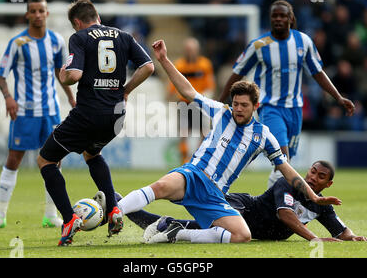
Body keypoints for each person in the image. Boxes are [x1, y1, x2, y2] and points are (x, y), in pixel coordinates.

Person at [116, 39, 341, 245]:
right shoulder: (221, 112)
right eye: (236, 104)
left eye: (244, 105)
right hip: (194, 175)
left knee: (242, 236)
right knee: (161, 186)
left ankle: (178, 232)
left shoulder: (263, 135)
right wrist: (164, 59)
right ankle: (113, 212)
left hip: (215, 194)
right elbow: (188, 90)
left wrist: (313, 197)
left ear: (256, 106)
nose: (238, 109)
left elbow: (286, 169)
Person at [36, 0, 154, 246]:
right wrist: (126, 89)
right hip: (116, 115)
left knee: (46, 159)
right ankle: (113, 209)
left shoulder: (80, 37)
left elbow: (74, 75)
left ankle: (69, 220)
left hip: (88, 113)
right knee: (92, 153)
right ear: (97, 16)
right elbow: (148, 66)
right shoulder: (124, 35)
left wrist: (63, 74)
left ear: (77, 22)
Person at [218, 0, 355, 188]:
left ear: (291, 18)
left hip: (295, 110)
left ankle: (270, 199)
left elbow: (317, 73)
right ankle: (279, 204)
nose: (278, 19)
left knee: (285, 162)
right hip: (270, 107)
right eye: (275, 15)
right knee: (282, 155)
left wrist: (338, 97)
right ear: (270, 18)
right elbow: (237, 73)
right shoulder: (259, 45)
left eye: (283, 15)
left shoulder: (303, 41)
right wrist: (219, 102)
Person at [0, 0, 76, 230]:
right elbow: (1, 74)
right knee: (14, 159)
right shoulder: (17, 43)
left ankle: (50, 214)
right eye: (32, 11)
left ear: (47, 13)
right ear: (27, 14)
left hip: (50, 111)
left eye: (40, 11)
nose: (37, 15)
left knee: (54, 161)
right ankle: (0, 215)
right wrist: (8, 98)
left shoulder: (56, 41)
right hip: (24, 111)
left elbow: (61, 73)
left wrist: (71, 97)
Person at [123, 161, 367, 243]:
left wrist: (353, 237)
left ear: (329, 184)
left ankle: (166, 226)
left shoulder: (321, 205)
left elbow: (340, 230)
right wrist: (314, 238)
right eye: (313, 171)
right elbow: (286, 215)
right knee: (215, 230)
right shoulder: (287, 184)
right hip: (244, 208)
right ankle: (129, 208)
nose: (313, 177)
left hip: (251, 226)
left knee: (206, 231)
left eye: (321, 176)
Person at [167, 37, 216, 164]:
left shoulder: (204, 64)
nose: (190, 52)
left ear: (197, 50)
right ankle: (184, 160)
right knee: (183, 133)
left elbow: (210, 85)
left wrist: (207, 97)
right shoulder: (180, 65)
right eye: (188, 49)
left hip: (199, 102)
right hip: (184, 103)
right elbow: (173, 84)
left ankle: (197, 159)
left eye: (192, 49)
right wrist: (169, 95)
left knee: (204, 132)